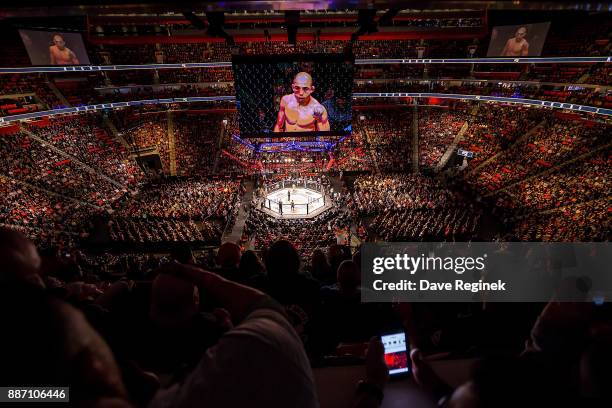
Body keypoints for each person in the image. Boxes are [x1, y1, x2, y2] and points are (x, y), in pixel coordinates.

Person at [148, 262, 319, 408]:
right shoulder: (235, 350)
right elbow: (266, 306)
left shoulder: (159, 388)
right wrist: (200, 275)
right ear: (196, 300)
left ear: (151, 309)